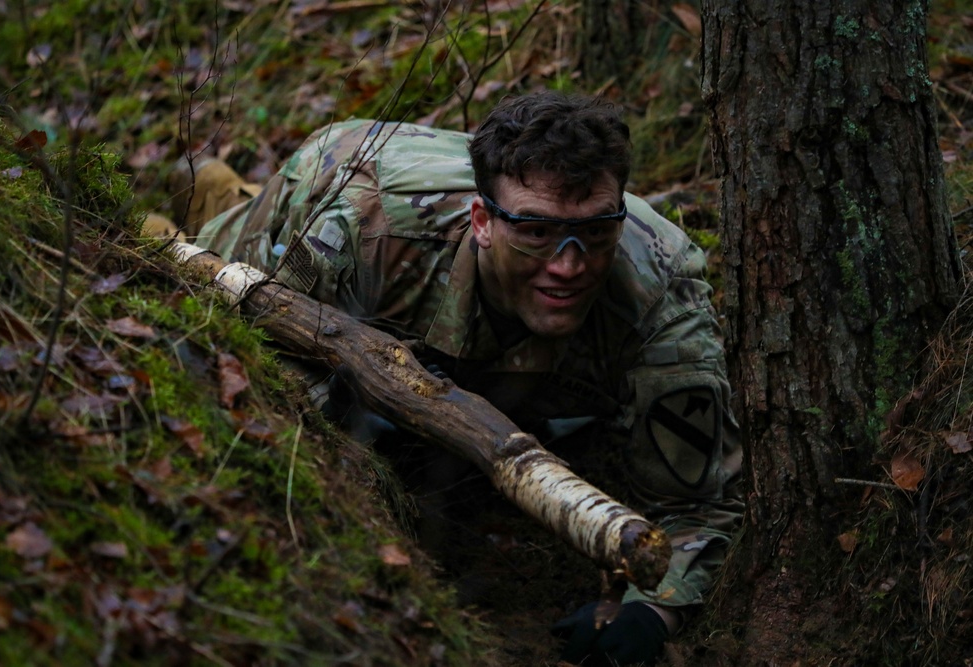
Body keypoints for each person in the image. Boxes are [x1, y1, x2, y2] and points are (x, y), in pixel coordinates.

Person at [167, 91, 743, 666]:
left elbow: (699, 500)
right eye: (536, 232)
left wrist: (652, 610)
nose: (569, 265)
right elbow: (255, 360)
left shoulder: (658, 287)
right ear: (483, 222)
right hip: (326, 179)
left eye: (594, 232)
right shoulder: (359, 227)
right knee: (189, 252)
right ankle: (216, 197)